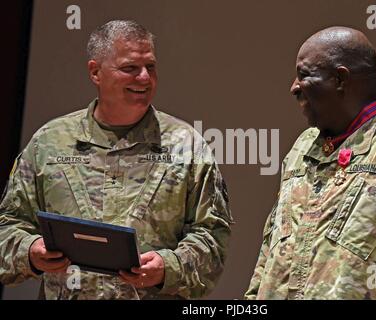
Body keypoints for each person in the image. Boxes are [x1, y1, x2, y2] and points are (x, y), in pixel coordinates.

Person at [0, 20, 232, 299]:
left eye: (151, 67)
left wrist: (168, 267)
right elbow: (8, 226)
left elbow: (212, 236)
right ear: (96, 72)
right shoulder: (50, 142)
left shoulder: (187, 146)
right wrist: (30, 250)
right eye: (130, 68)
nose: (145, 78)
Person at [245, 26, 376, 300]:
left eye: (304, 75)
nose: (294, 88)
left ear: (340, 79)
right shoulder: (303, 146)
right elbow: (269, 255)